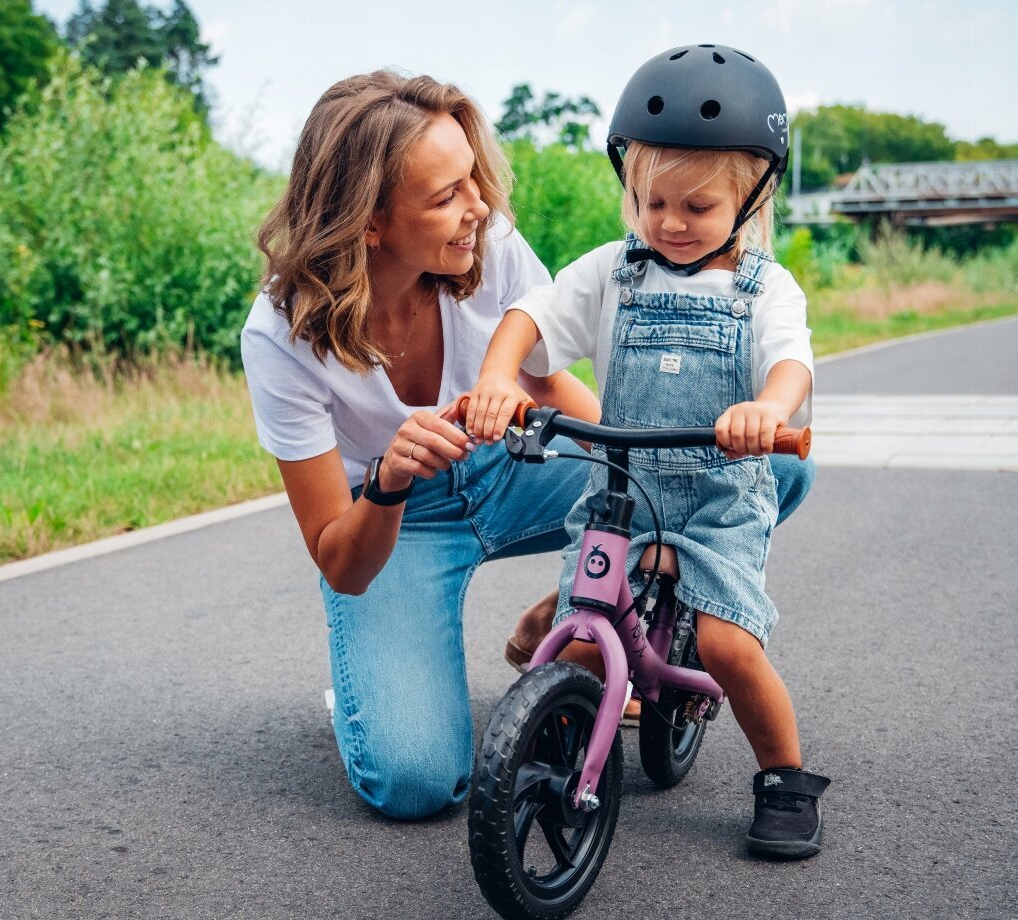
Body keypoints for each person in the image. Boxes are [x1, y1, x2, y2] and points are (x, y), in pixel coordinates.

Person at [241, 68, 814, 823]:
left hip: (513, 464)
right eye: (446, 196)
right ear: (369, 220)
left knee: (759, 470)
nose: (478, 207)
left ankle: (603, 598)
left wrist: (638, 475)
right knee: (413, 782)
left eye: (474, 180)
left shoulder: (487, 245)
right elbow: (340, 560)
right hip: (395, 519)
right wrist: (387, 479)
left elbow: (548, 385)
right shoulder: (281, 336)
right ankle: (382, 688)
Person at [463, 45, 831, 859]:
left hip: (719, 498)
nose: (667, 222)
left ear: (751, 196)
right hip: (618, 494)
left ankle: (784, 778)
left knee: (731, 645)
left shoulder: (763, 288)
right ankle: (560, 732)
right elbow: (532, 315)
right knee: (588, 639)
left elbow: (791, 361)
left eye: (695, 208)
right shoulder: (614, 273)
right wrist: (497, 378)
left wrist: (765, 410)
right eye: (649, 199)